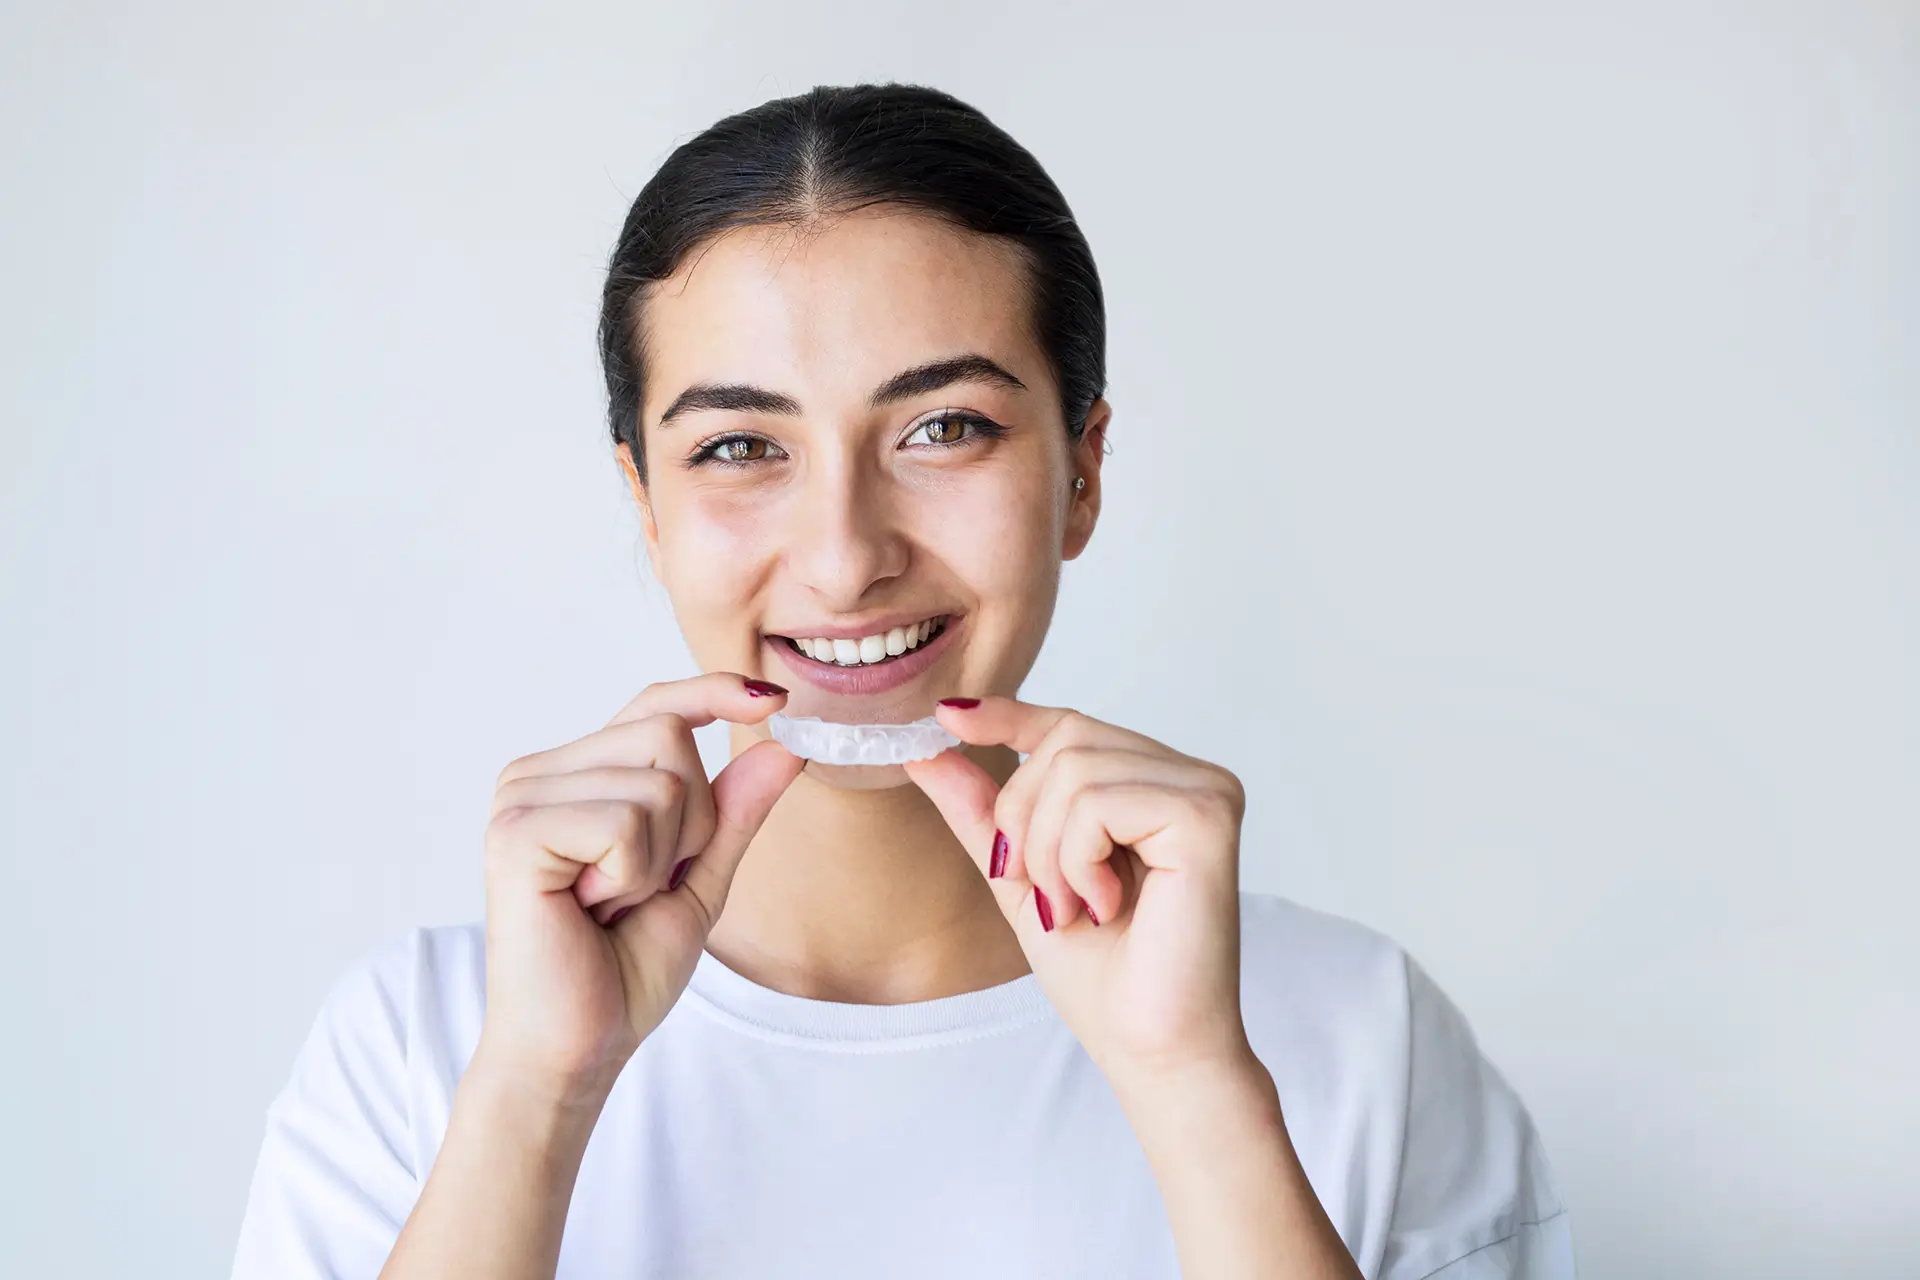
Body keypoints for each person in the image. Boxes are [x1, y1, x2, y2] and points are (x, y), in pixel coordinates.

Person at [230, 83, 1576, 1280]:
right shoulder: (422, 1051)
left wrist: (1193, 1090)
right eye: (741, 448)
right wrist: (533, 1096)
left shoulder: (1358, 1040)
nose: (846, 557)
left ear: (1083, 471)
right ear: (645, 504)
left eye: (945, 428)